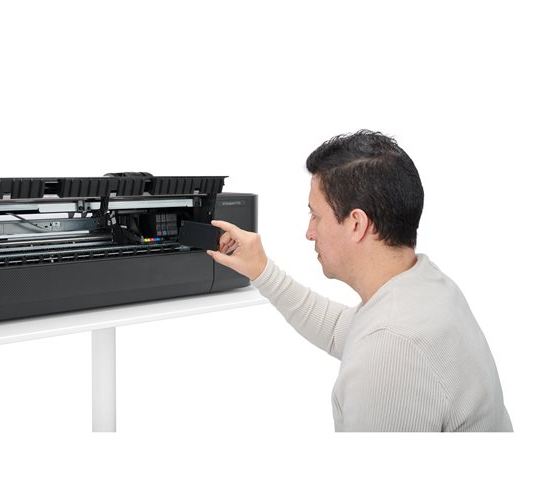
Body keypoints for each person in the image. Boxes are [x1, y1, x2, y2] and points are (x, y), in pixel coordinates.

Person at [207, 130, 513, 432]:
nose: (309, 232)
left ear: (356, 224)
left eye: (316, 216)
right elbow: (343, 330)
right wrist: (262, 271)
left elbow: (379, 344)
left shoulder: (390, 351)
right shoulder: (427, 288)